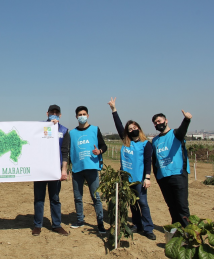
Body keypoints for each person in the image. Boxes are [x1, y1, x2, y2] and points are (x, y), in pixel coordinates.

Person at [107, 97, 156, 240]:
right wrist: (114, 110)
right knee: (132, 203)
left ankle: (148, 228)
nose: (132, 130)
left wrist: (147, 177)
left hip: (139, 180)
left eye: (134, 128)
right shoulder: (126, 142)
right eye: (130, 129)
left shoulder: (145, 144)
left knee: (143, 203)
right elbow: (118, 125)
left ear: (139, 129)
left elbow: (148, 161)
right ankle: (137, 224)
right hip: (126, 179)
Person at [32, 104, 70, 236]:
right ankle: (37, 225)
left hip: (55, 171)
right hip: (40, 170)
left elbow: (65, 152)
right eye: (52, 112)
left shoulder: (64, 131)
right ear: (47, 114)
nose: (54, 114)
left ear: (60, 115)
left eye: (56, 112)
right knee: (39, 198)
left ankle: (57, 225)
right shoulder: (39, 127)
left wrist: (64, 170)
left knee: (55, 198)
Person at [69, 106, 107, 234]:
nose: (82, 116)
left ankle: (100, 223)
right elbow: (69, 151)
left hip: (92, 168)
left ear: (88, 115)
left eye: (84, 114)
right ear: (76, 117)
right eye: (79, 114)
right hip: (77, 169)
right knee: (77, 197)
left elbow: (104, 146)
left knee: (96, 197)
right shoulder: (72, 133)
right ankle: (80, 220)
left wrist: (99, 151)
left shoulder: (95, 130)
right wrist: (68, 168)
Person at [152, 110, 192, 227]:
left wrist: (186, 120)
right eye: (155, 123)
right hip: (163, 177)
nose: (157, 124)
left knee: (182, 206)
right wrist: (157, 177)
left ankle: (188, 233)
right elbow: (155, 161)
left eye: (159, 121)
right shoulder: (155, 141)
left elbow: (182, 131)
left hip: (178, 175)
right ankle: (176, 230)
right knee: (171, 206)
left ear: (166, 120)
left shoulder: (175, 134)